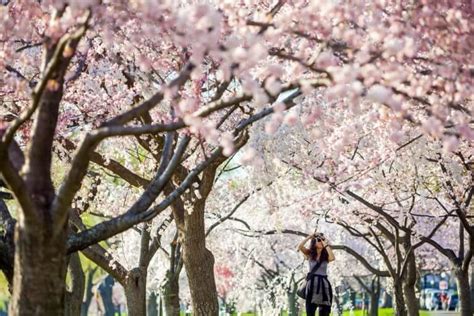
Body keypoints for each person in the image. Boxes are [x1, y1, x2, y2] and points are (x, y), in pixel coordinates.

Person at [298, 232, 336, 316]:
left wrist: (325, 243)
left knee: (325, 311)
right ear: (314, 243)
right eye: (319, 240)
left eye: (322, 240)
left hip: (324, 285)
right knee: (310, 311)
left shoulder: (326, 256)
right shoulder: (309, 254)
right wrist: (310, 237)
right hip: (311, 285)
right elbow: (300, 247)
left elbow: (332, 258)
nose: (321, 242)